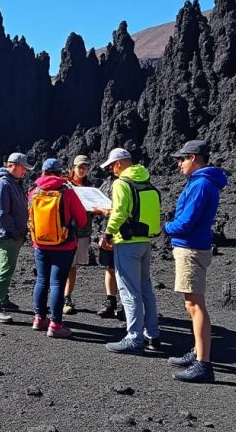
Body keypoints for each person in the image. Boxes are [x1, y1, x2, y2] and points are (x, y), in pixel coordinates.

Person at [164, 140, 227, 383]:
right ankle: (198, 352)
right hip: (192, 247)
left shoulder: (201, 184)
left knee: (195, 305)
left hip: (190, 248)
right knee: (191, 304)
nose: (179, 164)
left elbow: (186, 223)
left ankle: (203, 364)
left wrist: (166, 227)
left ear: (194, 158)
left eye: (182, 159)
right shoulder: (202, 182)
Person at [99, 148, 162, 354]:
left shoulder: (121, 183)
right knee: (145, 289)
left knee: (128, 291)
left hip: (126, 243)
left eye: (111, 166)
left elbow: (119, 212)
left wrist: (107, 234)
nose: (111, 170)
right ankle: (152, 335)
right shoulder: (145, 181)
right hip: (145, 241)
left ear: (119, 164)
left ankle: (134, 338)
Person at [28, 158, 88, 338]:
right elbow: (82, 219)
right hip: (64, 244)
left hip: (40, 243)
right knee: (57, 283)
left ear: (43, 172)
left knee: (41, 280)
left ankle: (39, 318)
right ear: (60, 173)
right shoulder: (67, 192)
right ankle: (55, 324)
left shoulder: (33, 191)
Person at [0, 152, 32, 323]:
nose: (25, 171)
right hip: (6, 235)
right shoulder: (4, 184)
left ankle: (3, 299)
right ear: (13, 165)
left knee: (8, 268)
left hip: (12, 234)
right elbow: (2, 214)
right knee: (5, 269)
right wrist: (15, 232)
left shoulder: (13, 183)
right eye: (23, 167)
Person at [62, 155, 96, 315]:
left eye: (85, 167)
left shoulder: (91, 187)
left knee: (73, 266)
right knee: (63, 265)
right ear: (73, 168)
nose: (82, 170)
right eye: (80, 167)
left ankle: (67, 297)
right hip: (66, 230)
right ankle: (59, 297)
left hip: (82, 231)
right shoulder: (65, 185)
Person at [95, 174, 124, 320]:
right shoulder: (107, 183)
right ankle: (111, 301)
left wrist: (106, 212)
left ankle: (126, 305)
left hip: (123, 234)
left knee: (124, 271)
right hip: (108, 232)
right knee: (110, 268)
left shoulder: (126, 185)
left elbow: (122, 211)